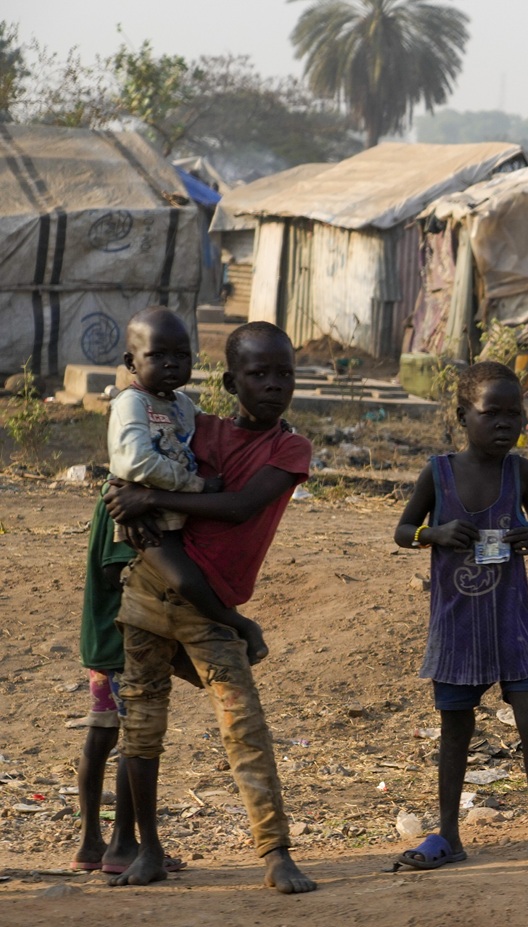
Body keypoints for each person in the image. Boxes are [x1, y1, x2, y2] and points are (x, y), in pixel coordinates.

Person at [102, 321, 316, 893]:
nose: (273, 385)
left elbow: (242, 506)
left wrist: (150, 497)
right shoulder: (199, 430)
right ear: (230, 380)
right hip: (150, 592)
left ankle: (275, 852)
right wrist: (138, 497)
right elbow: (139, 475)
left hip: (212, 607)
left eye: (284, 374)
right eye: (258, 374)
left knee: (244, 726)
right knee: (142, 729)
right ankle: (147, 850)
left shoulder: (290, 447)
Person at [391, 360, 528, 869]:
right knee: (456, 730)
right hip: (456, 627)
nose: (504, 423)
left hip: (510, 623)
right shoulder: (440, 473)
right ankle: (449, 835)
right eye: (490, 412)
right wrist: (434, 534)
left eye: (514, 413)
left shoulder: (521, 473)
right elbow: (402, 530)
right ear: (462, 416)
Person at [108, 306, 267, 663]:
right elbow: (135, 462)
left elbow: (213, 431)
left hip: (172, 509)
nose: (171, 364)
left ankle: (181, 654)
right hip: (143, 515)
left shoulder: (180, 403)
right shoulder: (130, 403)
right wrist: (196, 486)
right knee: (183, 581)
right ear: (131, 362)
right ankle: (240, 625)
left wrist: (271, 426)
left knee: (185, 583)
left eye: (181, 355)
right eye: (157, 355)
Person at [71, 495, 198, 876]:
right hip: (124, 637)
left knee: (104, 728)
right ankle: (123, 844)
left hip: (106, 637)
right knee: (136, 734)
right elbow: (117, 570)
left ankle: (92, 842)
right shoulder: (124, 500)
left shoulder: (114, 492)